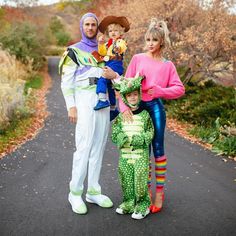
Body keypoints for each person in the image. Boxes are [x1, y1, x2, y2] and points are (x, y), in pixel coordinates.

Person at [103, 18, 185, 214]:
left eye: (154, 40)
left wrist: (159, 91)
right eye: (147, 39)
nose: (150, 43)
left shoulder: (168, 66)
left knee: (157, 148)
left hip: (155, 107)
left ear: (161, 42)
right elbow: (125, 84)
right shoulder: (138, 59)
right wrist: (123, 109)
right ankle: (143, 193)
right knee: (141, 151)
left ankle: (159, 194)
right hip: (136, 109)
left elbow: (179, 89)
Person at [59, 12, 113, 215]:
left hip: (102, 99)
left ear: (97, 27)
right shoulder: (73, 51)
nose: (90, 28)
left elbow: (112, 71)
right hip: (83, 100)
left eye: (93, 25)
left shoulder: (105, 49)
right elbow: (66, 82)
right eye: (87, 24)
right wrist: (71, 106)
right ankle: (75, 192)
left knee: (98, 146)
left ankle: (93, 190)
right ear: (82, 26)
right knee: (84, 146)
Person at [111, 75, 154, 220]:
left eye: (135, 94)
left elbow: (150, 132)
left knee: (140, 181)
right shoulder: (121, 117)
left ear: (139, 95)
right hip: (125, 155)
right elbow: (114, 133)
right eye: (129, 95)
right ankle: (128, 203)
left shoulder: (145, 115)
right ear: (124, 98)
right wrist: (119, 138)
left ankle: (143, 205)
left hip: (140, 155)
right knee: (126, 179)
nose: (133, 98)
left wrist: (142, 138)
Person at [93, 16, 130, 121]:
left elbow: (122, 47)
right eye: (110, 31)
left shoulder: (119, 42)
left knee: (102, 78)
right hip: (109, 62)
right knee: (110, 86)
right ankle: (113, 109)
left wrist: (118, 48)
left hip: (115, 63)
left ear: (120, 33)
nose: (113, 33)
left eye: (116, 31)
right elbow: (102, 52)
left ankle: (102, 99)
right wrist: (100, 44)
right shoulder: (108, 43)